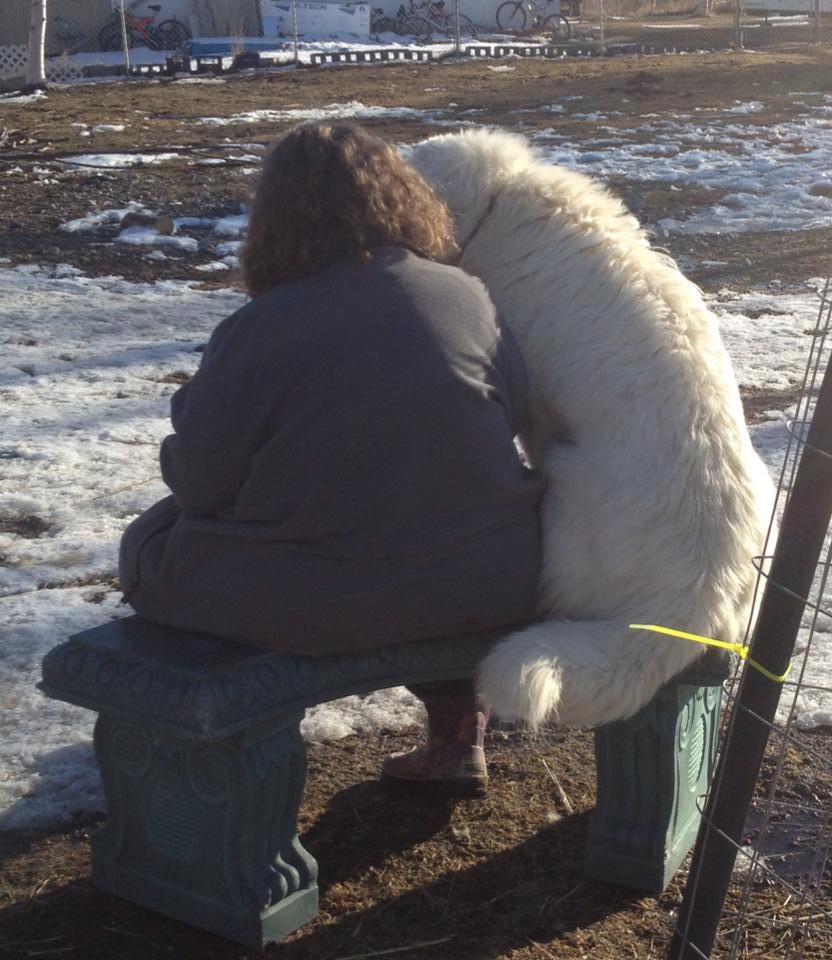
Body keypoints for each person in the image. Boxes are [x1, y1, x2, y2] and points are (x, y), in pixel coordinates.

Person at [119, 123, 543, 794]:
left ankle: (221, 774)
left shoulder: (260, 326)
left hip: (324, 601)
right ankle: (457, 732)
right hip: (490, 581)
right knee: (426, 514)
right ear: (404, 199)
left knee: (150, 543)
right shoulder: (468, 296)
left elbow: (201, 484)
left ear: (275, 220)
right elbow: (511, 419)